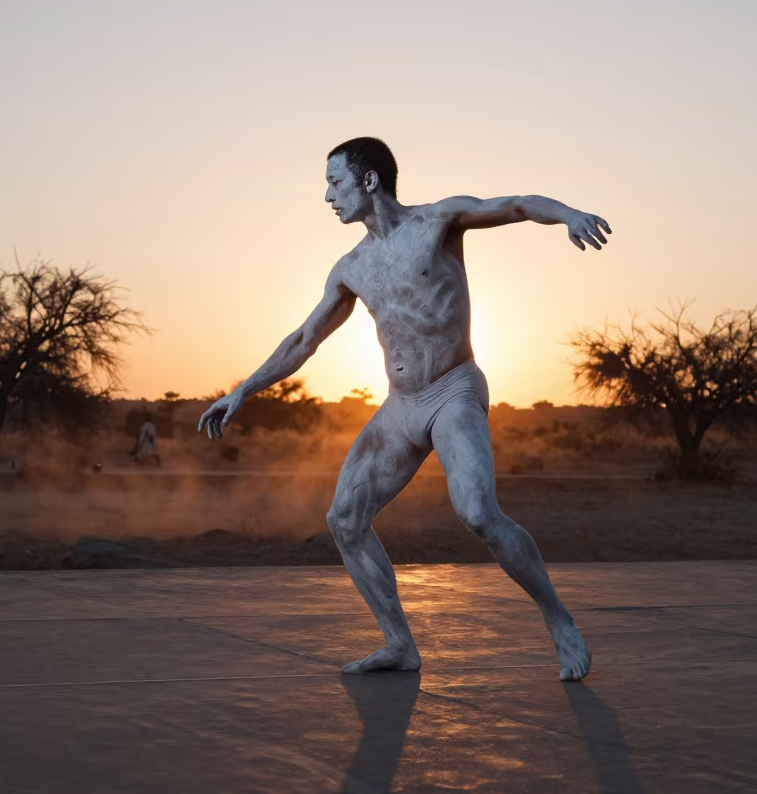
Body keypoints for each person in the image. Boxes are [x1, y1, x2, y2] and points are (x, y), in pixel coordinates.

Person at [198, 137, 610, 679]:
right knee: (344, 518)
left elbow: (513, 204)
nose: (327, 196)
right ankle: (399, 645)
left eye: (335, 182)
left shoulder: (437, 221)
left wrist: (569, 215)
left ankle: (559, 622)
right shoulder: (351, 267)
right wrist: (242, 390)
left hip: (453, 390)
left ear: (369, 180)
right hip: (400, 406)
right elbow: (304, 339)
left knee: (479, 514)